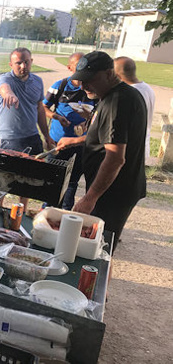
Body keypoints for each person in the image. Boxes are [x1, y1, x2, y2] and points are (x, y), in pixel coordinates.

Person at [57, 51, 147, 255]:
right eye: (81, 80)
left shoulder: (117, 102)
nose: (84, 85)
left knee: (98, 251)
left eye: (90, 80)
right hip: (113, 189)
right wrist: (77, 140)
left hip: (113, 192)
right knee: (96, 247)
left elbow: (115, 158)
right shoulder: (116, 95)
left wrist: (90, 198)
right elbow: (108, 136)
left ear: (109, 73)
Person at [0, 47, 55, 207]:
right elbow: (4, 89)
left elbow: (39, 108)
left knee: (29, 178)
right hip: (8, 138)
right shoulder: (5, 79)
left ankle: (22, 209)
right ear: (11, 64)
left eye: (26, 62)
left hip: (32, 136)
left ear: (31, 61)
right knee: (5, 178)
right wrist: (8, 94)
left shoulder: (37, 81)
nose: (23, 66)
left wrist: (46, 135)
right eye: (18, 63)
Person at [43, 52, 97, 210]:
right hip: (58, 142)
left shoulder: (91, 89)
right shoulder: (59, 86)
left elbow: (98, 116)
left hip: (81, 144)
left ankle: (64, 212)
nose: (83, 69)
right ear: (69, 67)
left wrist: (87, 120)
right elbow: (43, 107)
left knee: (72, 181)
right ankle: (47, 210)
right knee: (52, 178)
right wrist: (57, 117)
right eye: (78, 65)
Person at [114, 56, 156, 160]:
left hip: (128, 149)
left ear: (117, 75)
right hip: (142, 145)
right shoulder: (147, 88)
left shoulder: (129, 94)